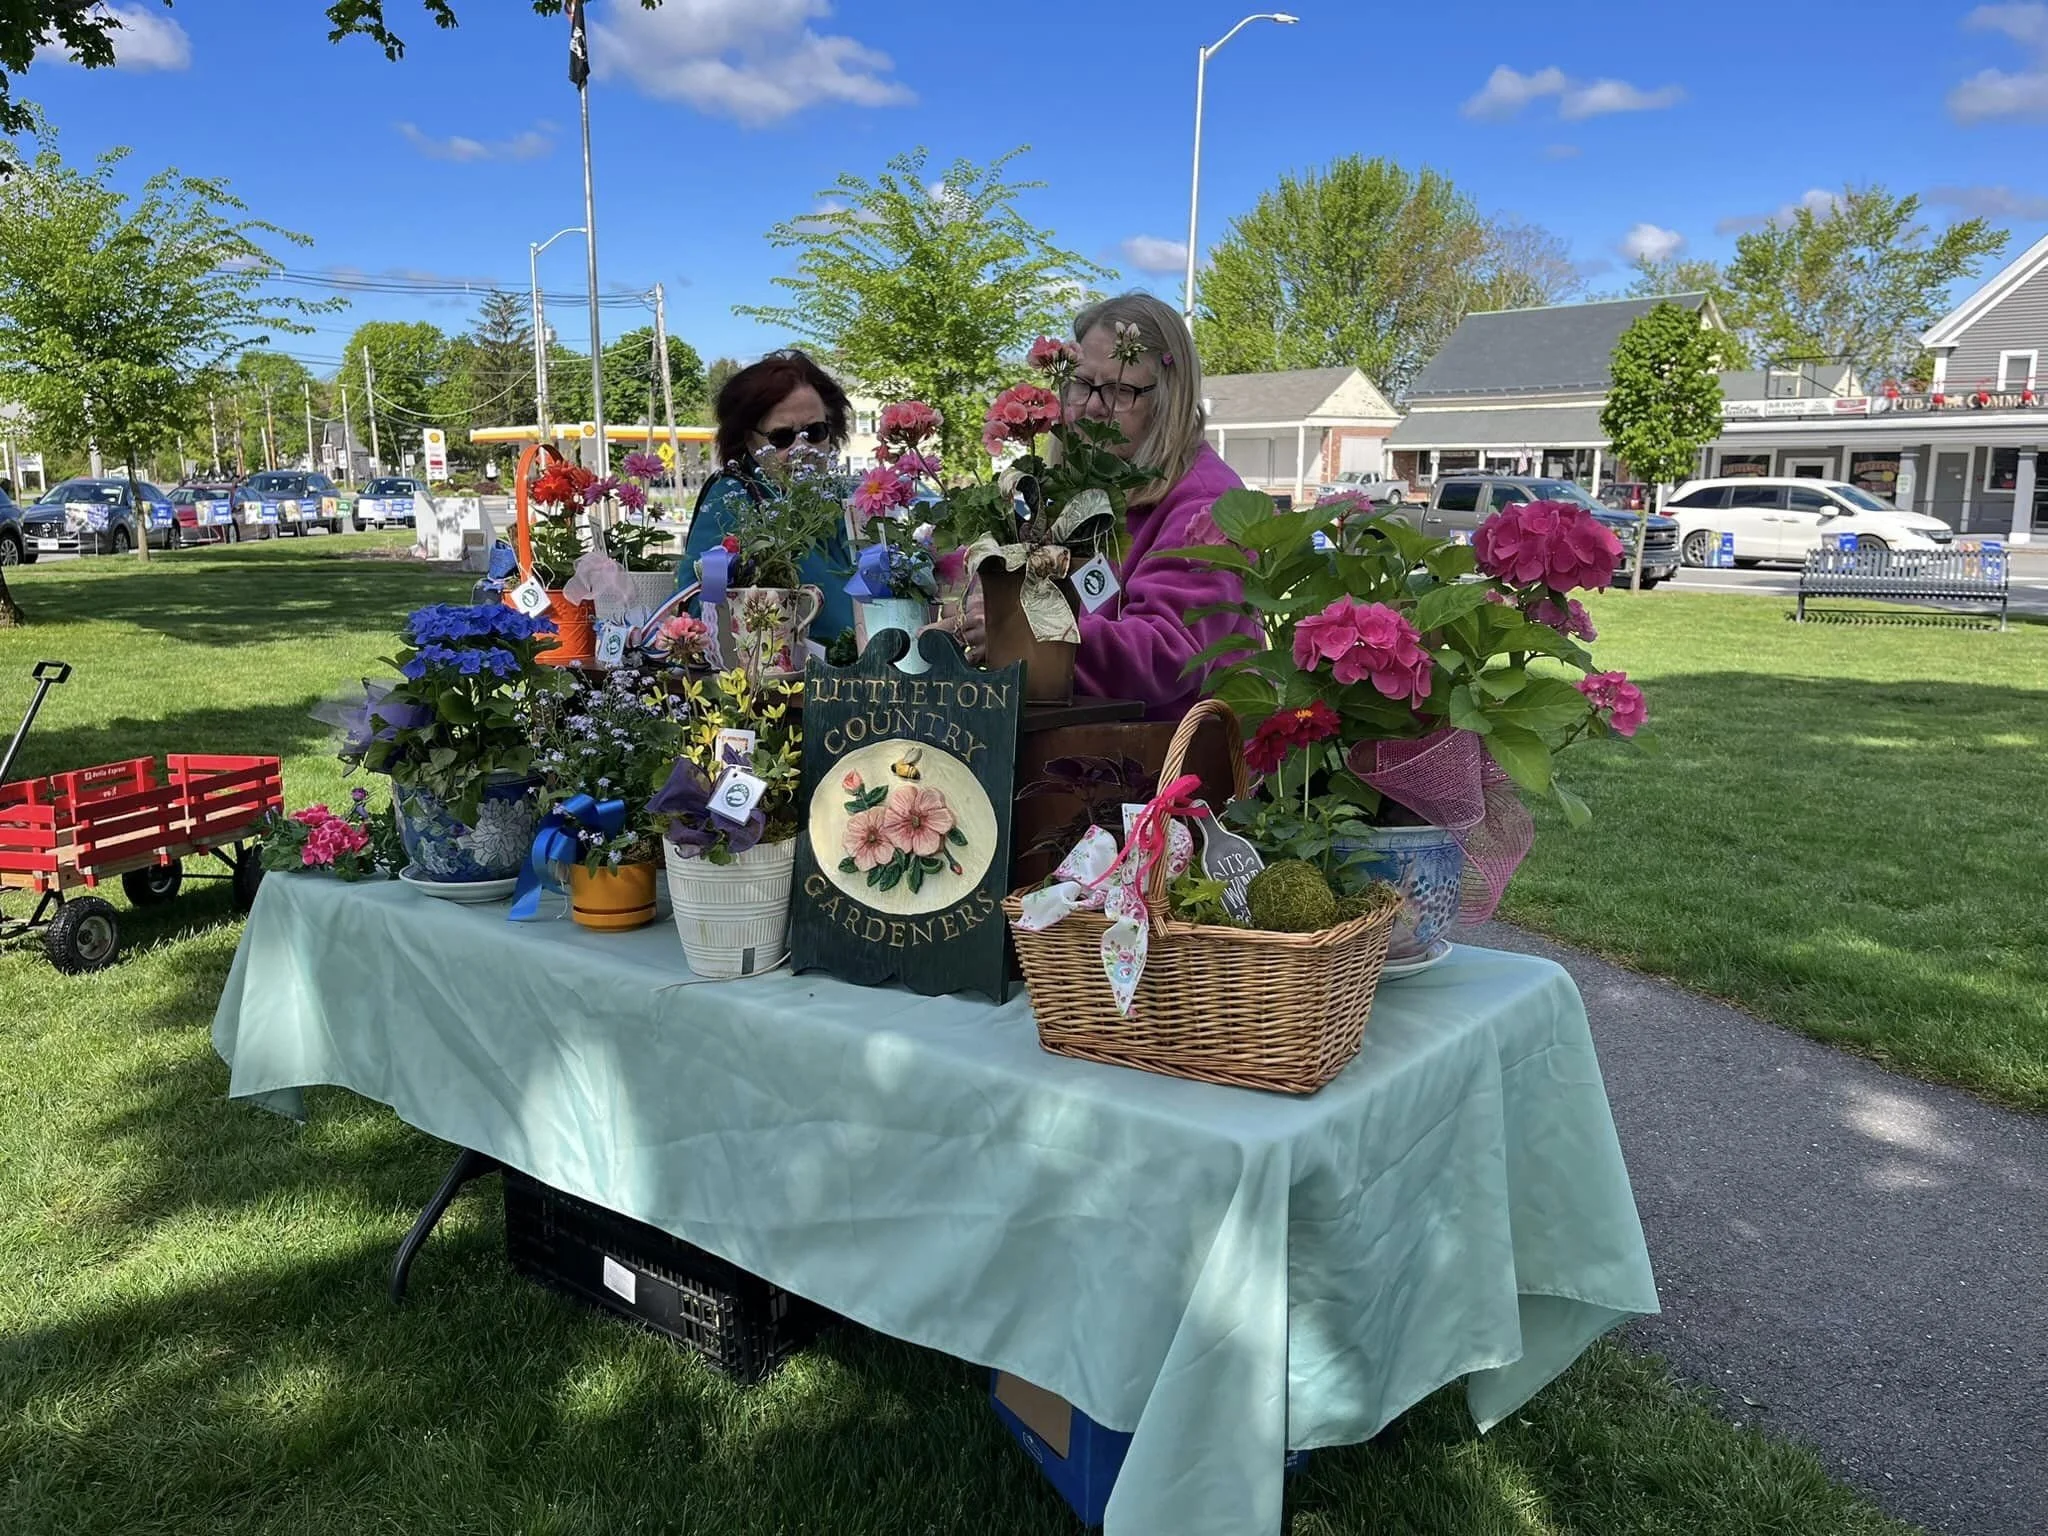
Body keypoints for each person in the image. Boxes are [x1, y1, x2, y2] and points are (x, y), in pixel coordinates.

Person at [959, 292, 1260, 721]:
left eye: (1120, 390)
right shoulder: (1085, 487)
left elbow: (1166, 654)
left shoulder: (1206, 503)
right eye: (1082, 384)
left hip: (1174, 752)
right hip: (1083, 739)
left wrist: (1021, 636)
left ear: (1169, 398)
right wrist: (970, 612)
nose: (1093, 407)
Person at [679, 349, 858, 643]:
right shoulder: (732, 498)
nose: (802, 448)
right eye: (782, 437)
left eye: (815, 431)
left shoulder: (847, 497)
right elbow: (702, 608)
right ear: (749, 440)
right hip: (779, 668)